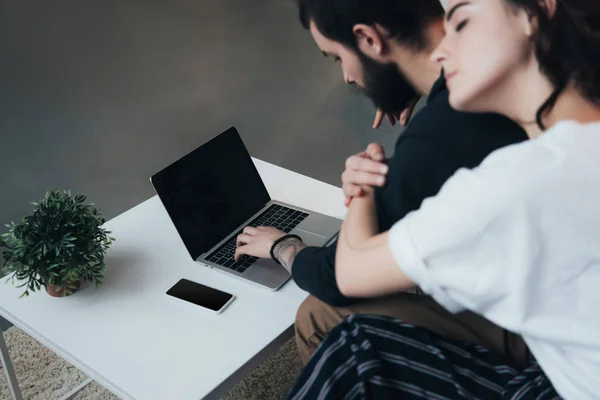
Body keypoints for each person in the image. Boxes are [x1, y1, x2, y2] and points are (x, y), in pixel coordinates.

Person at [287, 0, 600, 398]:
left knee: (354, 349)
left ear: (536, 11)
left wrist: (360, 186)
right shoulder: (568, 149)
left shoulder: (510, 188)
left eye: (462, 22)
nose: (439, 50)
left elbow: (348, 273)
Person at [234, 0, 527, 365]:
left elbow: (337, 276)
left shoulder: (439, 136)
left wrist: (283, 246)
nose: (347, 77)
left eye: (338, 58)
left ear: (370, 40)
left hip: (534, 337)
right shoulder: (518, 59)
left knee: (317, 314)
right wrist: (410, 80)